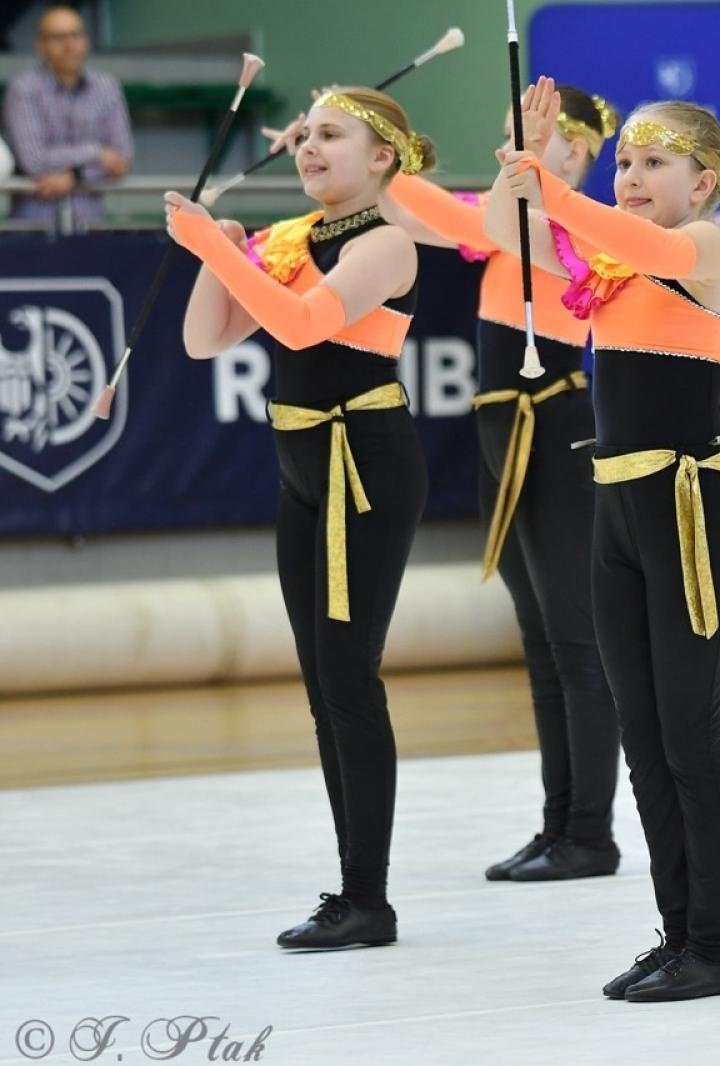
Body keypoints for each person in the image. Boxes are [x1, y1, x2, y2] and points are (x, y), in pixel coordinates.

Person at [486, 77, 720, 1000]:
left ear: (707, 180)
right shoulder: (612, 267)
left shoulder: (702, 247)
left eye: (654, 162)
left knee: (688, 735)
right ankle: (677, 934)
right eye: (626, 161)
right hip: (615, 513)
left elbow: (623, 234)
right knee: (641, 734)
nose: (632, 176)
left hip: (684, 508)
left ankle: (715, 946)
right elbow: (507, 236)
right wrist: (515, 157)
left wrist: (550, 186)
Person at [169, 87, 435, 948]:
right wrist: (226, 254)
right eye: (306, 135)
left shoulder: (387, 242)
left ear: (382, 157)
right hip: (302, 470)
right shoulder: (298, 240)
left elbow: (304, 321)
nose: (310, 148)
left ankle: (371, 898)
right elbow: (207, 338)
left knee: (351, 678)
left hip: (363, 465)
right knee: (325, 686)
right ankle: (352, 888)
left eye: (333, 136)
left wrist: (218, 242)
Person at [376, 86, 626, 883]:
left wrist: (520, 166)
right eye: (507, 136)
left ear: (576, 155)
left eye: (538, 137)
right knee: (542, 641)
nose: (508, 149)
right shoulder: (501, 221)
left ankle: (591, 830)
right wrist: (368, 139)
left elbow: (459, 216)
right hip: (500, 430)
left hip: (553, 428)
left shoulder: (566, 230)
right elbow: (406, 204)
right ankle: (559, 825)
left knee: (578, 643)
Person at [3, 3, 133, 228]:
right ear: (40, 45)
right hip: (34, 226)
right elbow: (34, 160)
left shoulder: (107, 87)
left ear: (86, 40)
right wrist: (97, 153)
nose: (69, 44)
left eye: (75, 35)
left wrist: (76, 176)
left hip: (91, 224)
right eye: (58, 37)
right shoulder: (24, 88)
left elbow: (122, 158)